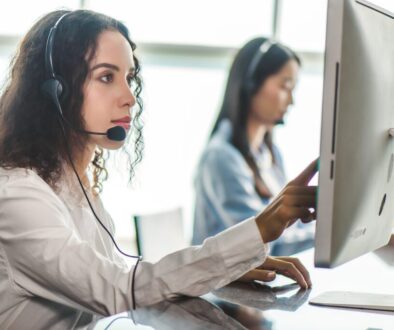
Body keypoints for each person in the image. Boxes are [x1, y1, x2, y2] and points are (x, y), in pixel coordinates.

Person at [0, 10, 317, 329]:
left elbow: (121, 271)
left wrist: (223, 271)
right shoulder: (18, 197)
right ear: (57, 90)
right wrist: (259, 228)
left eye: (129, 78)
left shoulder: (74, 184)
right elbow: (116, 288)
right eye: (107, 77)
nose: (128, 98)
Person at [192, 38, 315, 255]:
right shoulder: (221, 157)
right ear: (251, 84)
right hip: (223, 287)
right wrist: (327, 238)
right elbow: (264, 241)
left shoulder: (270, 154)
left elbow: (292, 228)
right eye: (285, 86)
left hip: (258, 283)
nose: (292, 101)